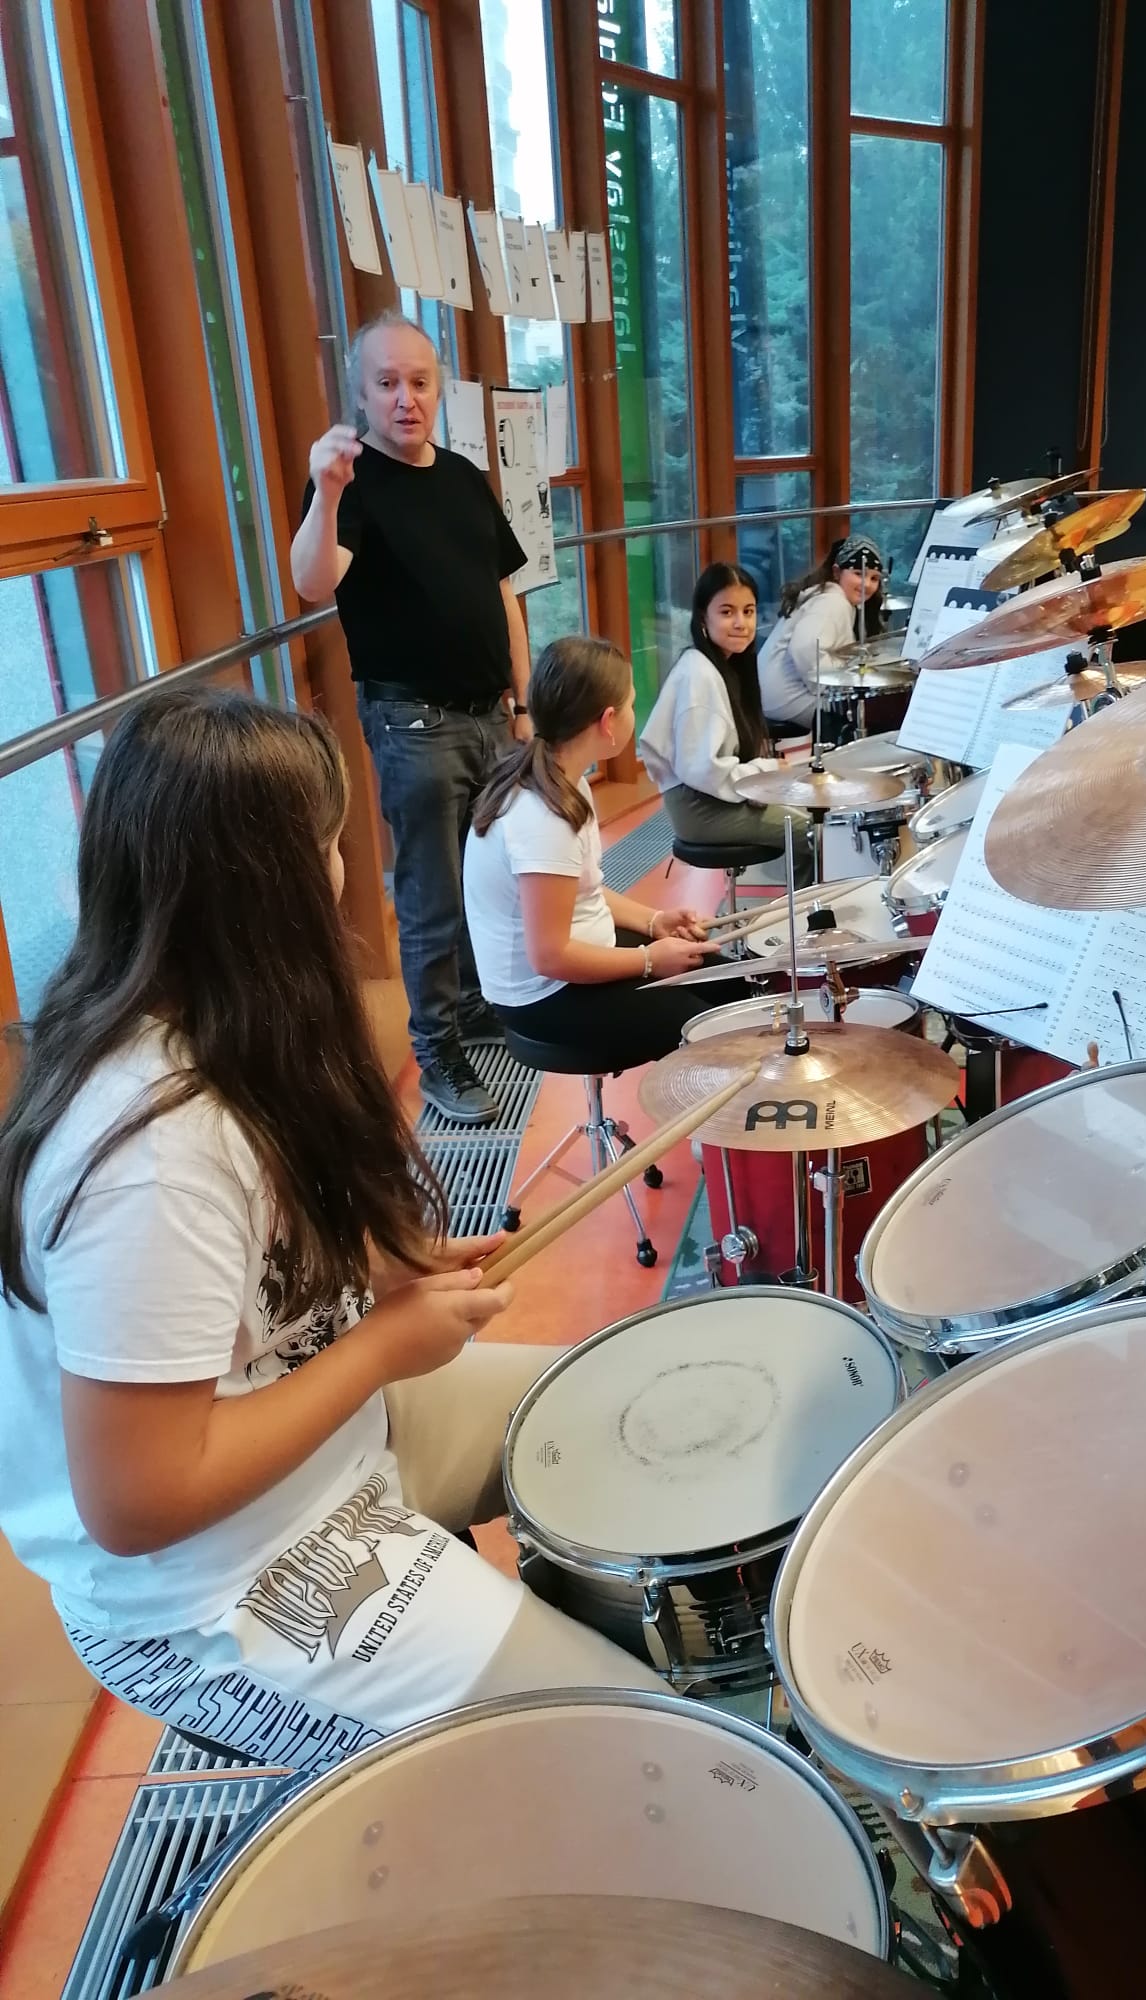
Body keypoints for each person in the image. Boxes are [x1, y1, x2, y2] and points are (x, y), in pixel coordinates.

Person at [0, 688, 660, 1777]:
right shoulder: (145, 1154)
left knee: (635, 1408)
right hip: (211, 1584)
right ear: (271, 884)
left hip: (332, 1441)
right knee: (636, 1750)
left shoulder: (225, 1022)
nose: (347, 868)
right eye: (329, 843)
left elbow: (248, 1272)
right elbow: (138, 1499)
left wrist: (381, 1270)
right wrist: (382, 1345)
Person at [291, 310, 532, 1127]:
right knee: (432, 893)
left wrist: (523, 706)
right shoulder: (351, 484)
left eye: (419, 382)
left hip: (490, 715)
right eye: (387, 383)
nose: (406, 398)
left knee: (489, 875)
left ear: (439, 388)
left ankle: (474, 1005)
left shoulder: (462, 476)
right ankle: (437, 1050)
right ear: (361, 393)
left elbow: (503, 594)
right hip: (412, 723)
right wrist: (326, 493)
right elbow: (312, 582)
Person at [466, 635, 748, 1065]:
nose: (635, 712)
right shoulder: (543, 816)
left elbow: (583, 891)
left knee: (735, 987)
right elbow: (549, 956)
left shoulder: (565, 778)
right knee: (713, 1031)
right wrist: (648, 960)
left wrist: (654, 921)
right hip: (543, 996)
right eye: (632, 703)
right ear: (609, 720)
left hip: (576, 957)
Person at [638, 561, 814, 885]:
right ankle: (805, 913)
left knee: (811, 814)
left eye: (748, 611)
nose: (740, 623)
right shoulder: (699, 674)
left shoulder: (723, 667)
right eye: (727, 612)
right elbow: (702, 771)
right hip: (699, 807)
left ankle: (801, 906)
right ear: (702, 618)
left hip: (711, 797)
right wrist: (764, 771)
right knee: (812, 831)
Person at [756, 534, 886, 730]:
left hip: (774, 694)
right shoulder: (832, 601)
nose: (867, 584)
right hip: (787, 697)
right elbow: (805, 648)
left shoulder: (827, 595)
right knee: (868, 718)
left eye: (874, 578)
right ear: (837, 572)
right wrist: (829, 689)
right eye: (859, 574)